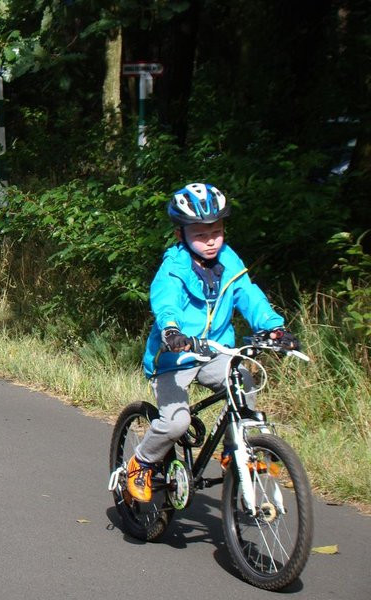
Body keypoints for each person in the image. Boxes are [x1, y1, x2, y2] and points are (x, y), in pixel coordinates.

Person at [126, 183, 300, 503]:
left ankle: (235, 450)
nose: (210, 241)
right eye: (200, 234)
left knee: (242, 380)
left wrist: (274, 328)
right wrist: (172, 331)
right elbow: (166, 304)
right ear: (181, 235)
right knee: (176, 422)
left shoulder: (229, 262)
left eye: (216, 231)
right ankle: (142, 463)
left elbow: (249, 297)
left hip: (214, 351)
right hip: (173, 357)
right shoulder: (173, 268)